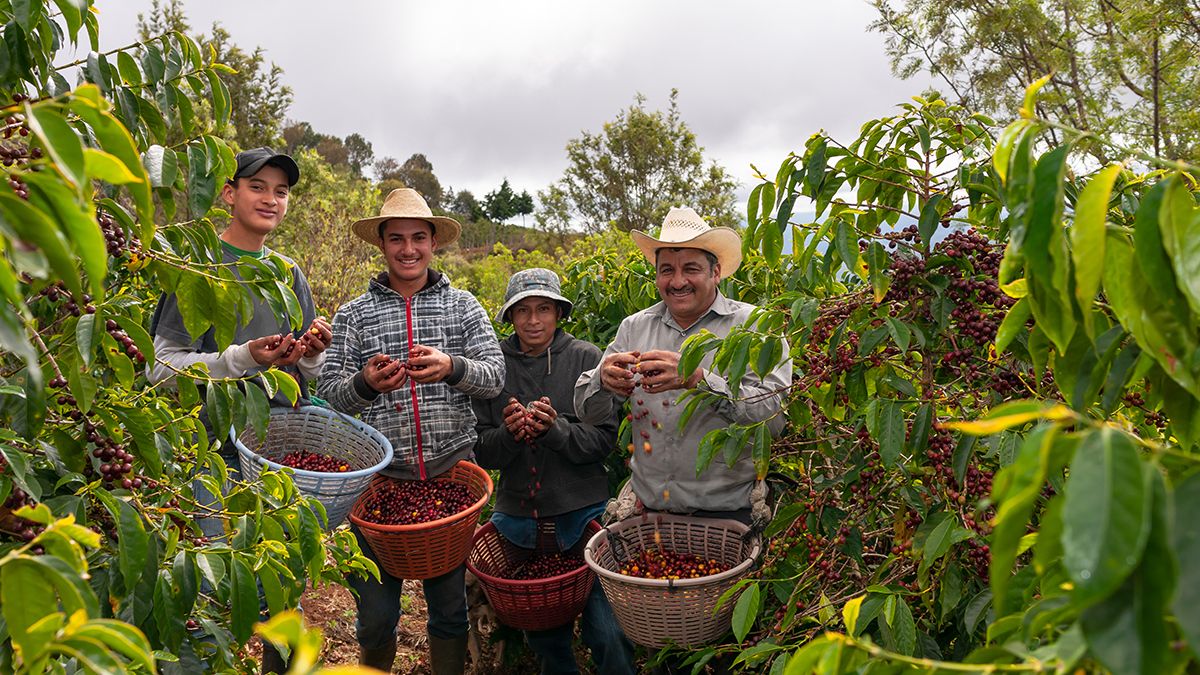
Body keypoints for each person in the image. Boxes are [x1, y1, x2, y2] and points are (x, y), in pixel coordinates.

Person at [147, 147, 332, 674]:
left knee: (280, 581)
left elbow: (307, 369)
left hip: (274, 452)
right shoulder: (199, 268)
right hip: (210, 451)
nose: (271, 199)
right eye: (258, 186)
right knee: (210, 582)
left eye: (281, 191)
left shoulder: (288, 272)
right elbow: (161, 367)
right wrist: (241, 359)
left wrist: (312, 351)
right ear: (229, 194)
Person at [318, 188, 505, 674]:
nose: (408, 249)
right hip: (380, 483)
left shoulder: (461, 307)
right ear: (381, 244)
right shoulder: (354, 314)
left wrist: (451, 367)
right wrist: (367, 382)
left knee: (448, 610)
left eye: (418, 238)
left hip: (451, 480)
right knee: (377, 615)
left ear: (433, 243)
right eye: (396, 238)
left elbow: (494, 376)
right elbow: (332, 392)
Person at [574, 206, 792, 525]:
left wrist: (699, 379)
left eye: (690, 268)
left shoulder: (755, 328)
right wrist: (602, 381)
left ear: (715, 272)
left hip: (729, 515)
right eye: (667, 270)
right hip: (649, 514)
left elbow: (773, 420)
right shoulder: (634, 328)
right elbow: (588, 412)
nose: (677, 282)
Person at [473, 268, 635, 675]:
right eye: (522, 311)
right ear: (509, 317)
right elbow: (481, 448)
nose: (533, 320)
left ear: (558, 313)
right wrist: (511, 434)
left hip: (584, 516)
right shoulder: (494, 363)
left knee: (608, 632)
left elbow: (603, 441)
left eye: (543, 309)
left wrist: (556, 430)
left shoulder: (585, 358)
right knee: (546, 639)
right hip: (520, 523)